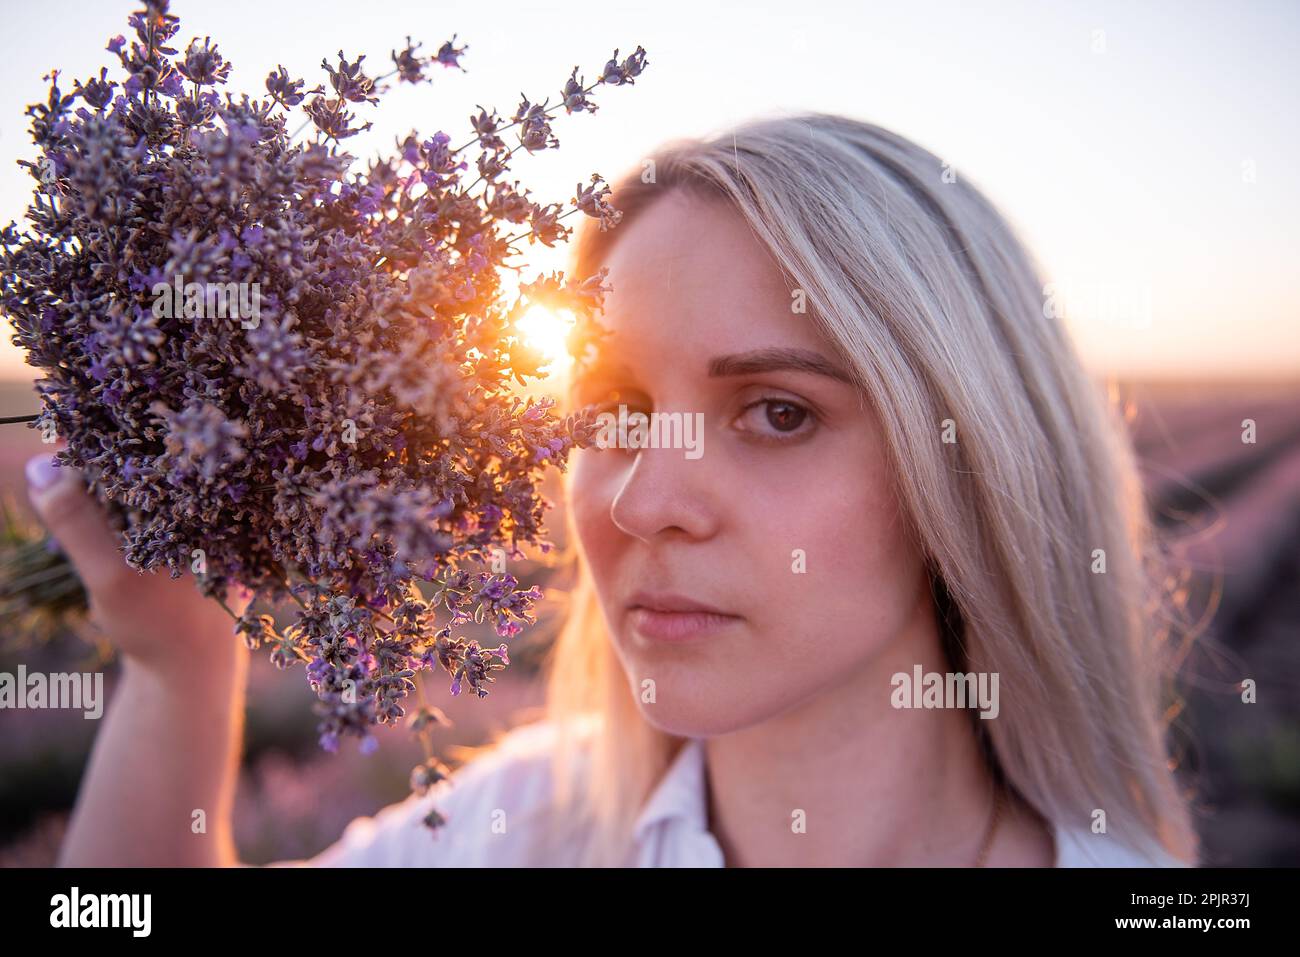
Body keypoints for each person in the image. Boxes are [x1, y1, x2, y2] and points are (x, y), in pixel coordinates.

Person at [30, 112, 1198, 867]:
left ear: (969, 463)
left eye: (777, 414)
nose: (642, 503)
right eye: (616, 413)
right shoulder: (521, 831)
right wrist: (178, 664)